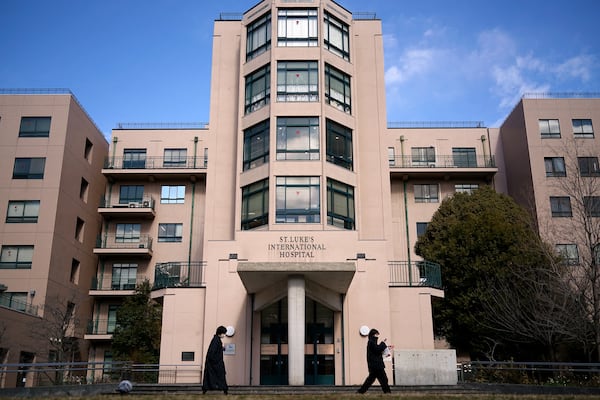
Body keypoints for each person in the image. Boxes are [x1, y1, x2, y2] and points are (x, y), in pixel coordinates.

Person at [357, 328, 391, 394]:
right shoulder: (371, 342)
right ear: (373, 335)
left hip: (374, 366)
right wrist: (383, 343)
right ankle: (387, 393)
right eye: (376, 335)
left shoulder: (371, 343)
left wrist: (385, 348)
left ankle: (360, 392)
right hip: (377, 366)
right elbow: (377, 350)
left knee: (370, 380)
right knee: (383, 379)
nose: (377, 336)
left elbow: (377, 351)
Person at [202, 325, 228, 395]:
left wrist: (221, 349)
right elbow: (212, 353)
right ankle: (224, 390)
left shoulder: (216, 340)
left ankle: (206, 389)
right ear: (220, 333)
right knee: (220, 376)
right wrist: (217, 361)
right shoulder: (216, 341)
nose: (224, 335)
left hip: (214, 363)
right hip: (215, 364)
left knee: (213, 377)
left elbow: (213, 351)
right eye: (224, 333)